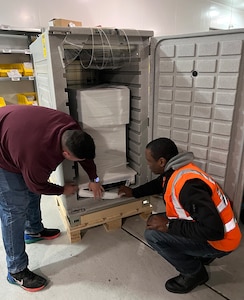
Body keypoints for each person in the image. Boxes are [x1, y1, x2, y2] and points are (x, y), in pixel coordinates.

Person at [0, 105, 104, 292]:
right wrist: (62, 190)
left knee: (30, 192)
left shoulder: (72, 130)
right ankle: (16, 271)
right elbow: (36, 185)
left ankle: (33, 230)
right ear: (66, 154)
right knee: (14, 209)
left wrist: (94, 178)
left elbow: (85, 157)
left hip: (14, 129)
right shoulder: (37, 155)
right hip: (3, 152)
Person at [118, 137, 242, 294]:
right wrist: (134, 192)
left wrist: (169, 225)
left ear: (162, 161)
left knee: (153, 234)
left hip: (220, 241)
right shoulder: (180, 170)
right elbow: (159, 184)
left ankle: (194, 273)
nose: (149, 165)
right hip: (222, 231)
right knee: (156, 220)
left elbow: (214, 231)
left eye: (150, 161)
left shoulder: (188, 187)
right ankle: (201, 255)